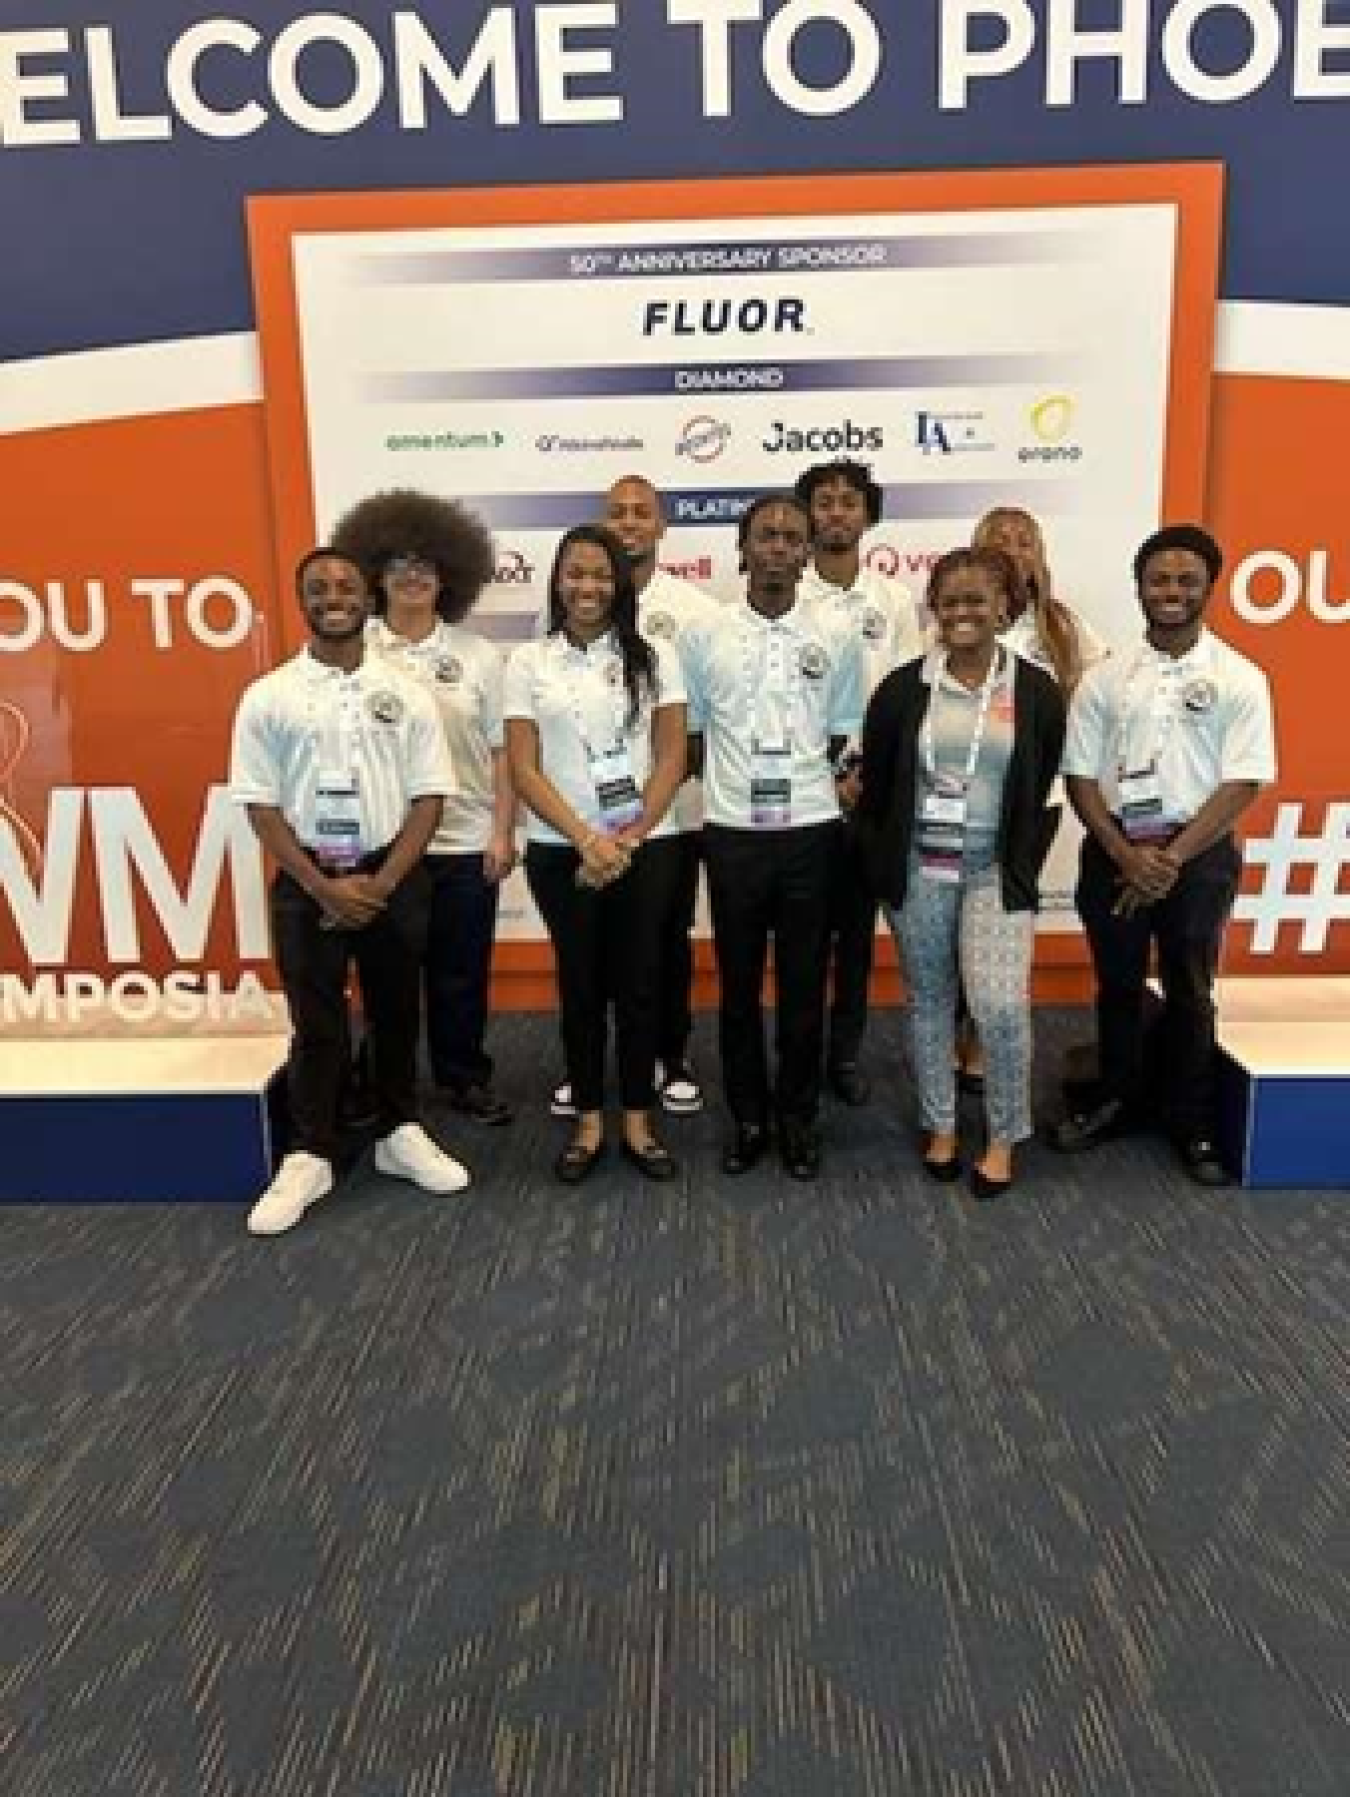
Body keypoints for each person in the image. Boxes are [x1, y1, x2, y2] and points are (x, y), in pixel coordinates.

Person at [229, 549, 471, 1236]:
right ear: (301, 600)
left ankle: (399, 1130)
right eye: (318, 588)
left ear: (368, 597)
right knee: (318, 1021)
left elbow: (429, 795)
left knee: (397, 1011)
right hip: (308, 878)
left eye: (345, 586)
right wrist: (322, 887)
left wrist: (382, 883)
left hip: (392, 872)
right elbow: (261, 805)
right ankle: (313, 1149)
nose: (334, 596)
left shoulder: (409, 692)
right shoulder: (268, 696)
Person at [1054, 524, 1277, 1186]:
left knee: (1190, 988)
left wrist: (1170, 858)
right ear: (1139, 587)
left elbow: (1243, 780)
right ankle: (1116, 1098)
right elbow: (1080, 775)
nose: (1171, 592)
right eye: (1159, 580)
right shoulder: (1105, 677)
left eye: (1186, 580)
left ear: (1210, 585)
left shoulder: (1240, 677)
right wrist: (1126, 854)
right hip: (1115, 849)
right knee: (1117, 985)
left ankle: (1193, 1122)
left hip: (1197, 856)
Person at [855, 547, 1065, 1199]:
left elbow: (1044, 782)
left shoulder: (1035, 690)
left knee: (1000, 1007)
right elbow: (879, 786)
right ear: (934, 611)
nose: (963, 612)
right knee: (931, 1003)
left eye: (977, 600)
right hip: (920, 867)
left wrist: (1019, 863)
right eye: (950, 601)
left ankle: (1002, 1138)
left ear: (1004, 607)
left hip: (993, 872)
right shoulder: (902, 688)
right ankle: (941, 1126)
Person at [682, 494, 864, 1180]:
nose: (780, 547)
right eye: (767, 535)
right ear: (744, 546)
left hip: (813, 833)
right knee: (736, 987)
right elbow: (693, 733)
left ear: (808, 551)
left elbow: (843, 729)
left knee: (800, 987)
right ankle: (748, 1117)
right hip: (732, 834)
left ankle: (797, 1118)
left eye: (793, 537)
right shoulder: (704, 635)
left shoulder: (836, 634)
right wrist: (735, 785)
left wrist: (804, 783)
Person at [505, 525, 687, 1182]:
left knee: (640, 987)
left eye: (601, 575)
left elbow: (672, 756)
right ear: (558, 581)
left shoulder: (658, 654)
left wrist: (628, 838)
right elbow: (523, 767)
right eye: (575, 574)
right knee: (580, 988)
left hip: (647, 849)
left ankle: (637, 1118)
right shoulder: (529, 662)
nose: (588, 587)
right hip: (562, 851)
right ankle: (588, 1118)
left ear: (621, 583)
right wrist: (587, 840)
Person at [331, 489, 515, 1125]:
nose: (413, 575)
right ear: (375, 573)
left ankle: (463, 1076)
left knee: (460, 974)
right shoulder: (355, 652)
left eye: (428, 564)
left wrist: (502, 834)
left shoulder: (480, 658)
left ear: (451, 577)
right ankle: (379, 1081)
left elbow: (500, 754)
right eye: (400, 563)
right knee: (385, 979)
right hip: (385, 844)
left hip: (464, 841)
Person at [549, 475, 722, 1120]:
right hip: (582, 821)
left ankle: (668, 1058)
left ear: (662, 526)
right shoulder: (565, 612)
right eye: (616, 512)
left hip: (668, 813)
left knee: (663, 943)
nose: (628, 522)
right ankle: (588, 1067)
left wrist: (655, 802)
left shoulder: (698, 611)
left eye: (640, 513)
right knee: (586, 950)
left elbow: (698, 722)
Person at [957, 505, 1109, 1089]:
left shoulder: (1065, 627)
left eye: (1025, 541)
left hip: (1033, 802)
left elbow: (1097, 703)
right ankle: (957, 1033)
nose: (1013, 549)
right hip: (962, 801)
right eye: (999, 539)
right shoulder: (955, 615)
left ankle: (990, 1035)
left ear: (1040, 556)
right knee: (954, 929)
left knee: (1002, 923)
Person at [794, 459, 925, 1106]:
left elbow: (906, 700)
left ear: (868, 515)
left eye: (849, 502)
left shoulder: (895, 602)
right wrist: (825, 772)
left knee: (854, 939)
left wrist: (866, 779)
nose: (837, 512)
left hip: (873, 798)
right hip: (803, 796)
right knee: (803, 940)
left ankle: (842, 1056)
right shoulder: (786, 597)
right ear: (806, 515)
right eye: (824, 501)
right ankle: (798, 1052)